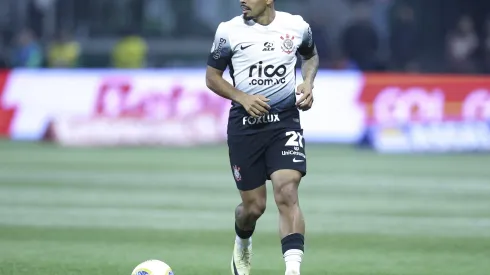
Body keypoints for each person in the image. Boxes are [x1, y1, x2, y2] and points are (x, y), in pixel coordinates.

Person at [205, 0, 319, 274]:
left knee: (287, 191)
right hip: (245, 128)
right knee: (254, 207)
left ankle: (292, 270)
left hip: (284, 123)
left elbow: (311, 56)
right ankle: (242, 241)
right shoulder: (228, 31)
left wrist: (308, 82)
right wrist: (241, 97)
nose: (242, 0)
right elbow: (212, 77)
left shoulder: (297, 26)